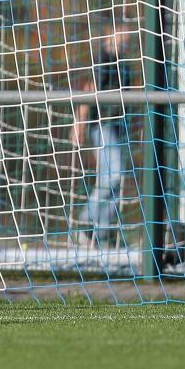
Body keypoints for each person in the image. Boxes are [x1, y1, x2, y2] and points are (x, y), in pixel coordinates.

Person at [72, 21, 133, 247]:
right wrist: (79, 123)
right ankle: (86, 224)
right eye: (122, 38)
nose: (126, 43)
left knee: (116, 181)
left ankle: (102, 233)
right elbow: (89, 90)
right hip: (103, 125)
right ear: (110, 35)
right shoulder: (103, 60)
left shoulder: (124, 64)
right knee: (112, 176)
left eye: (128, 40)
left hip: (118, 127)